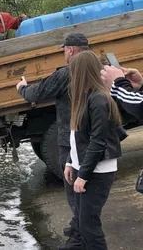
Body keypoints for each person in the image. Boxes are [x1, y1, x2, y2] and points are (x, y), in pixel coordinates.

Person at [16, 33, 89, 248]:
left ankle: (78, 238)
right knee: (83, 189)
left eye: (64, 49)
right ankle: (78, 227)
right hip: (89, 137)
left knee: (74, 189)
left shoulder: (66, 74)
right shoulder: (96, 69)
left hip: (71, 140)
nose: (64, 52)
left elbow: (38, 93)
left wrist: (22, 88)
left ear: (71, 50)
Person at [63, 50, 122, 250]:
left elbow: (98, 142)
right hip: (86, 168)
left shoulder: (98, 99)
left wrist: (83, 176)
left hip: (98, 172)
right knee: (82, 223)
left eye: (73, 72)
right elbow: (77, 136)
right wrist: (71, 162)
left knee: (89, 226)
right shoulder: (86, 97)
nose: (71, 76)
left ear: (81, 72)